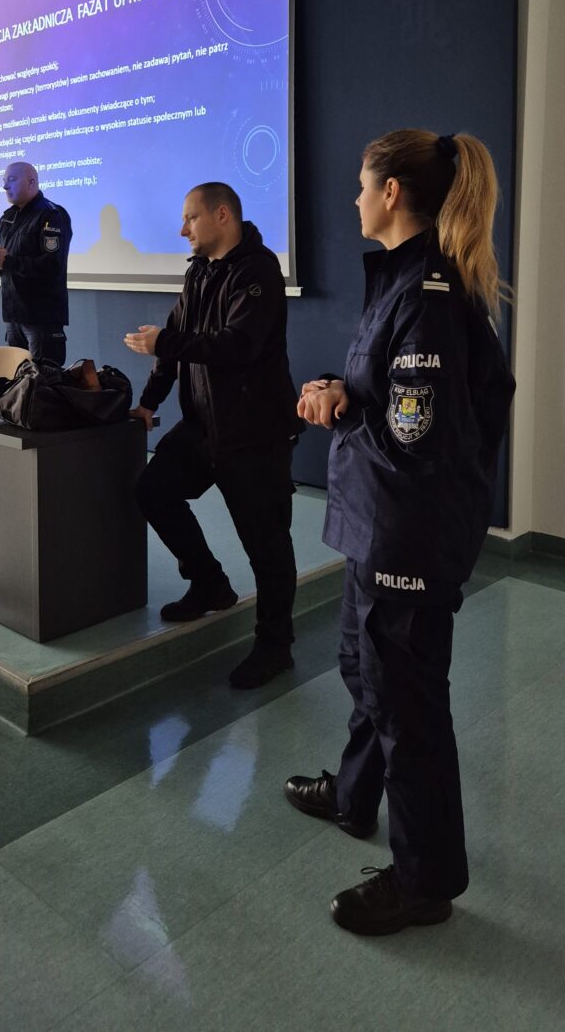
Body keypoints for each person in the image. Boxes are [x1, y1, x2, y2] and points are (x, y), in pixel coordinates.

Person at [285, 129, 515, 936]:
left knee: (407, 706)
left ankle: (426, 882)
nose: (354, 198)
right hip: (377, 525)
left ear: (391, 193)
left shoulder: (427, 296)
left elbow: (416, 444)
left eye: (362, 184)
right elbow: (395, 400)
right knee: (365, 669)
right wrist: (343, 391)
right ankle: (354, 798)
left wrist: (343, 411)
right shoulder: (403, 281)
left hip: (407, 536)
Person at [124, 182, 302, 690]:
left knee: (267, 547)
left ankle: (275, 647)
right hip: (205, 427)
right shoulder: (199, 272)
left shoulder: (259, 271)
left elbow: (237, 345)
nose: (183, 229)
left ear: (222, 215)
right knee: (153, 490)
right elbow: (172, 345)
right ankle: (210, 585)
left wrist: (167, 341)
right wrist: (148, 403)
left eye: (190, 218)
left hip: (255, 434)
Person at [0, 161, 72, 365]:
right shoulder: (7, 218)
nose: (5, 186)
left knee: (43, 382)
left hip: (41, 320)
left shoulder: (51, 215)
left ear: (31, 182)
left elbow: (52, 266)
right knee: (17, 380)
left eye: (12, 180)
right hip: (13, 318)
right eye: (4, 181)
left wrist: (7, 262)